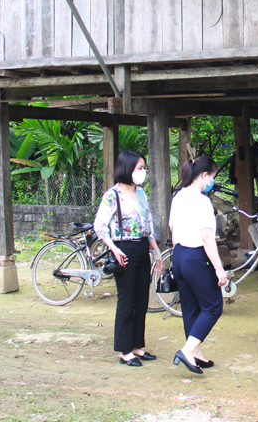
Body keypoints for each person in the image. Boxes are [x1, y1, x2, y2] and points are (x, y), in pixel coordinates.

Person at [93, 150, 163, 367]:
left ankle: (137, 346)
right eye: (139, 168)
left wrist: (156, 251)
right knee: (126, 300)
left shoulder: (141, 193)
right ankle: (125, 351)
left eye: (143, 168)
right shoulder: (112, 196)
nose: (143, 172)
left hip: (142, 247)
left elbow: (148, 224)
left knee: (142, 298)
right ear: (127, 169)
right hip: (124, 249)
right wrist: (114, 249)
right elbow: (99, 226)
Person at [169, 155, 228, 375]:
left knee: (190, 308)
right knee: (213, 307)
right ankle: (187, 350)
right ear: (204, 176)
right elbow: (207, 238)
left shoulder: (179, 197)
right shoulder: (202, 200)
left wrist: (178, 261)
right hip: (195, 256)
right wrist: (218, 268)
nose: (212, 181)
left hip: (179, 255)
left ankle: (197, 353)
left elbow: (174, 232)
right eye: (212, 176)